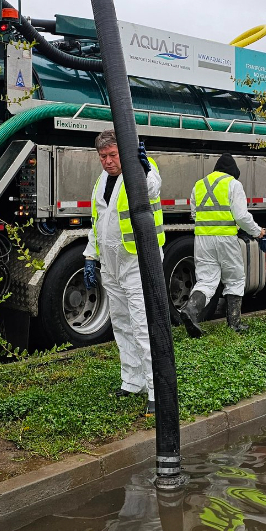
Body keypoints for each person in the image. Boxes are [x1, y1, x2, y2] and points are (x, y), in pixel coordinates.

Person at [83, 129, 164, 415]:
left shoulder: (142, 168)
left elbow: (151, 189)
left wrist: (142, 168)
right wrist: (90, 256)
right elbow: (98, 221)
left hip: (137, 262)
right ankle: (132, 381)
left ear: (123, 153)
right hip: (112, 265)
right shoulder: (102, 180)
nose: (107, 161)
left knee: (142, 326)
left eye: (113, 155)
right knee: (121, 324)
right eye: (102, 156)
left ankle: (156, 390)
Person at [179, 154, 266, 337]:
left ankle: (191, 309)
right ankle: (234, 324)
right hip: (225, 239)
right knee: (235, 279)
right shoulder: (233, 184)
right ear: (233, 171)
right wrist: (257, 231)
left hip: (203, 240)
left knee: (206, 280)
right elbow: (241, 216)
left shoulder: (199, 185)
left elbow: (194, 214)